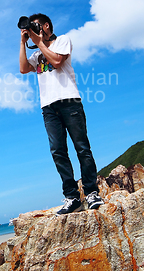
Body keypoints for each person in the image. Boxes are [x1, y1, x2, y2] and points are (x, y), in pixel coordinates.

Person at [19, 13, 104, 215]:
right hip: (48, 107)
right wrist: (23, 43)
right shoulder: (36, 54)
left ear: (46, 26)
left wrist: (40, 43)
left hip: (69, 102)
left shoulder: (62, 41)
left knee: (82, 147)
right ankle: (72, 197)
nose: (33, 30)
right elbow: (23, 69)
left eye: (36, 26)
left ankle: (91, 192)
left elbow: (57, 62)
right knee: (58, 151)